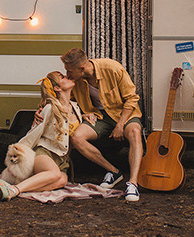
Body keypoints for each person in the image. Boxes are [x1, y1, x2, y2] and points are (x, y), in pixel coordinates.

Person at [60, 48, 142, 203]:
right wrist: (81, 112)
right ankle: (114, 172)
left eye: (70, 71)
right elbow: (65, 98)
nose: (67, 75)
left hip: (123, 114)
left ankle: (133, 183)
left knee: (135, 132)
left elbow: (131, 99)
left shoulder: (112, 68)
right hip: (99, 116)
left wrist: (120, 125)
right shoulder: (76, 80)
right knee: (76, 137)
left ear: (82, 68)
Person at [0, 71, 82, 200]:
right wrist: (16, 155)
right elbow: (33, 134)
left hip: (63, 160)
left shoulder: (76, 108)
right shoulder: (49, 108)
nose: (67, 76)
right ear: (57, 88)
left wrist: (90, 115)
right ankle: (13, 190)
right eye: (63, 77)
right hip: (45, 153)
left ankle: (9, 186)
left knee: (62, 181)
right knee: (54, 174)